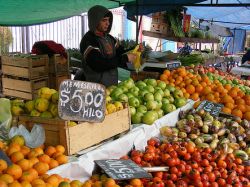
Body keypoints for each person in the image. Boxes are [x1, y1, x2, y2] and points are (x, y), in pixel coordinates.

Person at [76, 5, 136, 87]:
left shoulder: (109, 38)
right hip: (95, 89)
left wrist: (135, 49)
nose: (108, 23)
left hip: (112, 87)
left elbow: (121, 52)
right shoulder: (88, 41)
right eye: (104, 20)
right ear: (95, 21)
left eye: (108, 20)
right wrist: (125, 58)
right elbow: (99, 64)